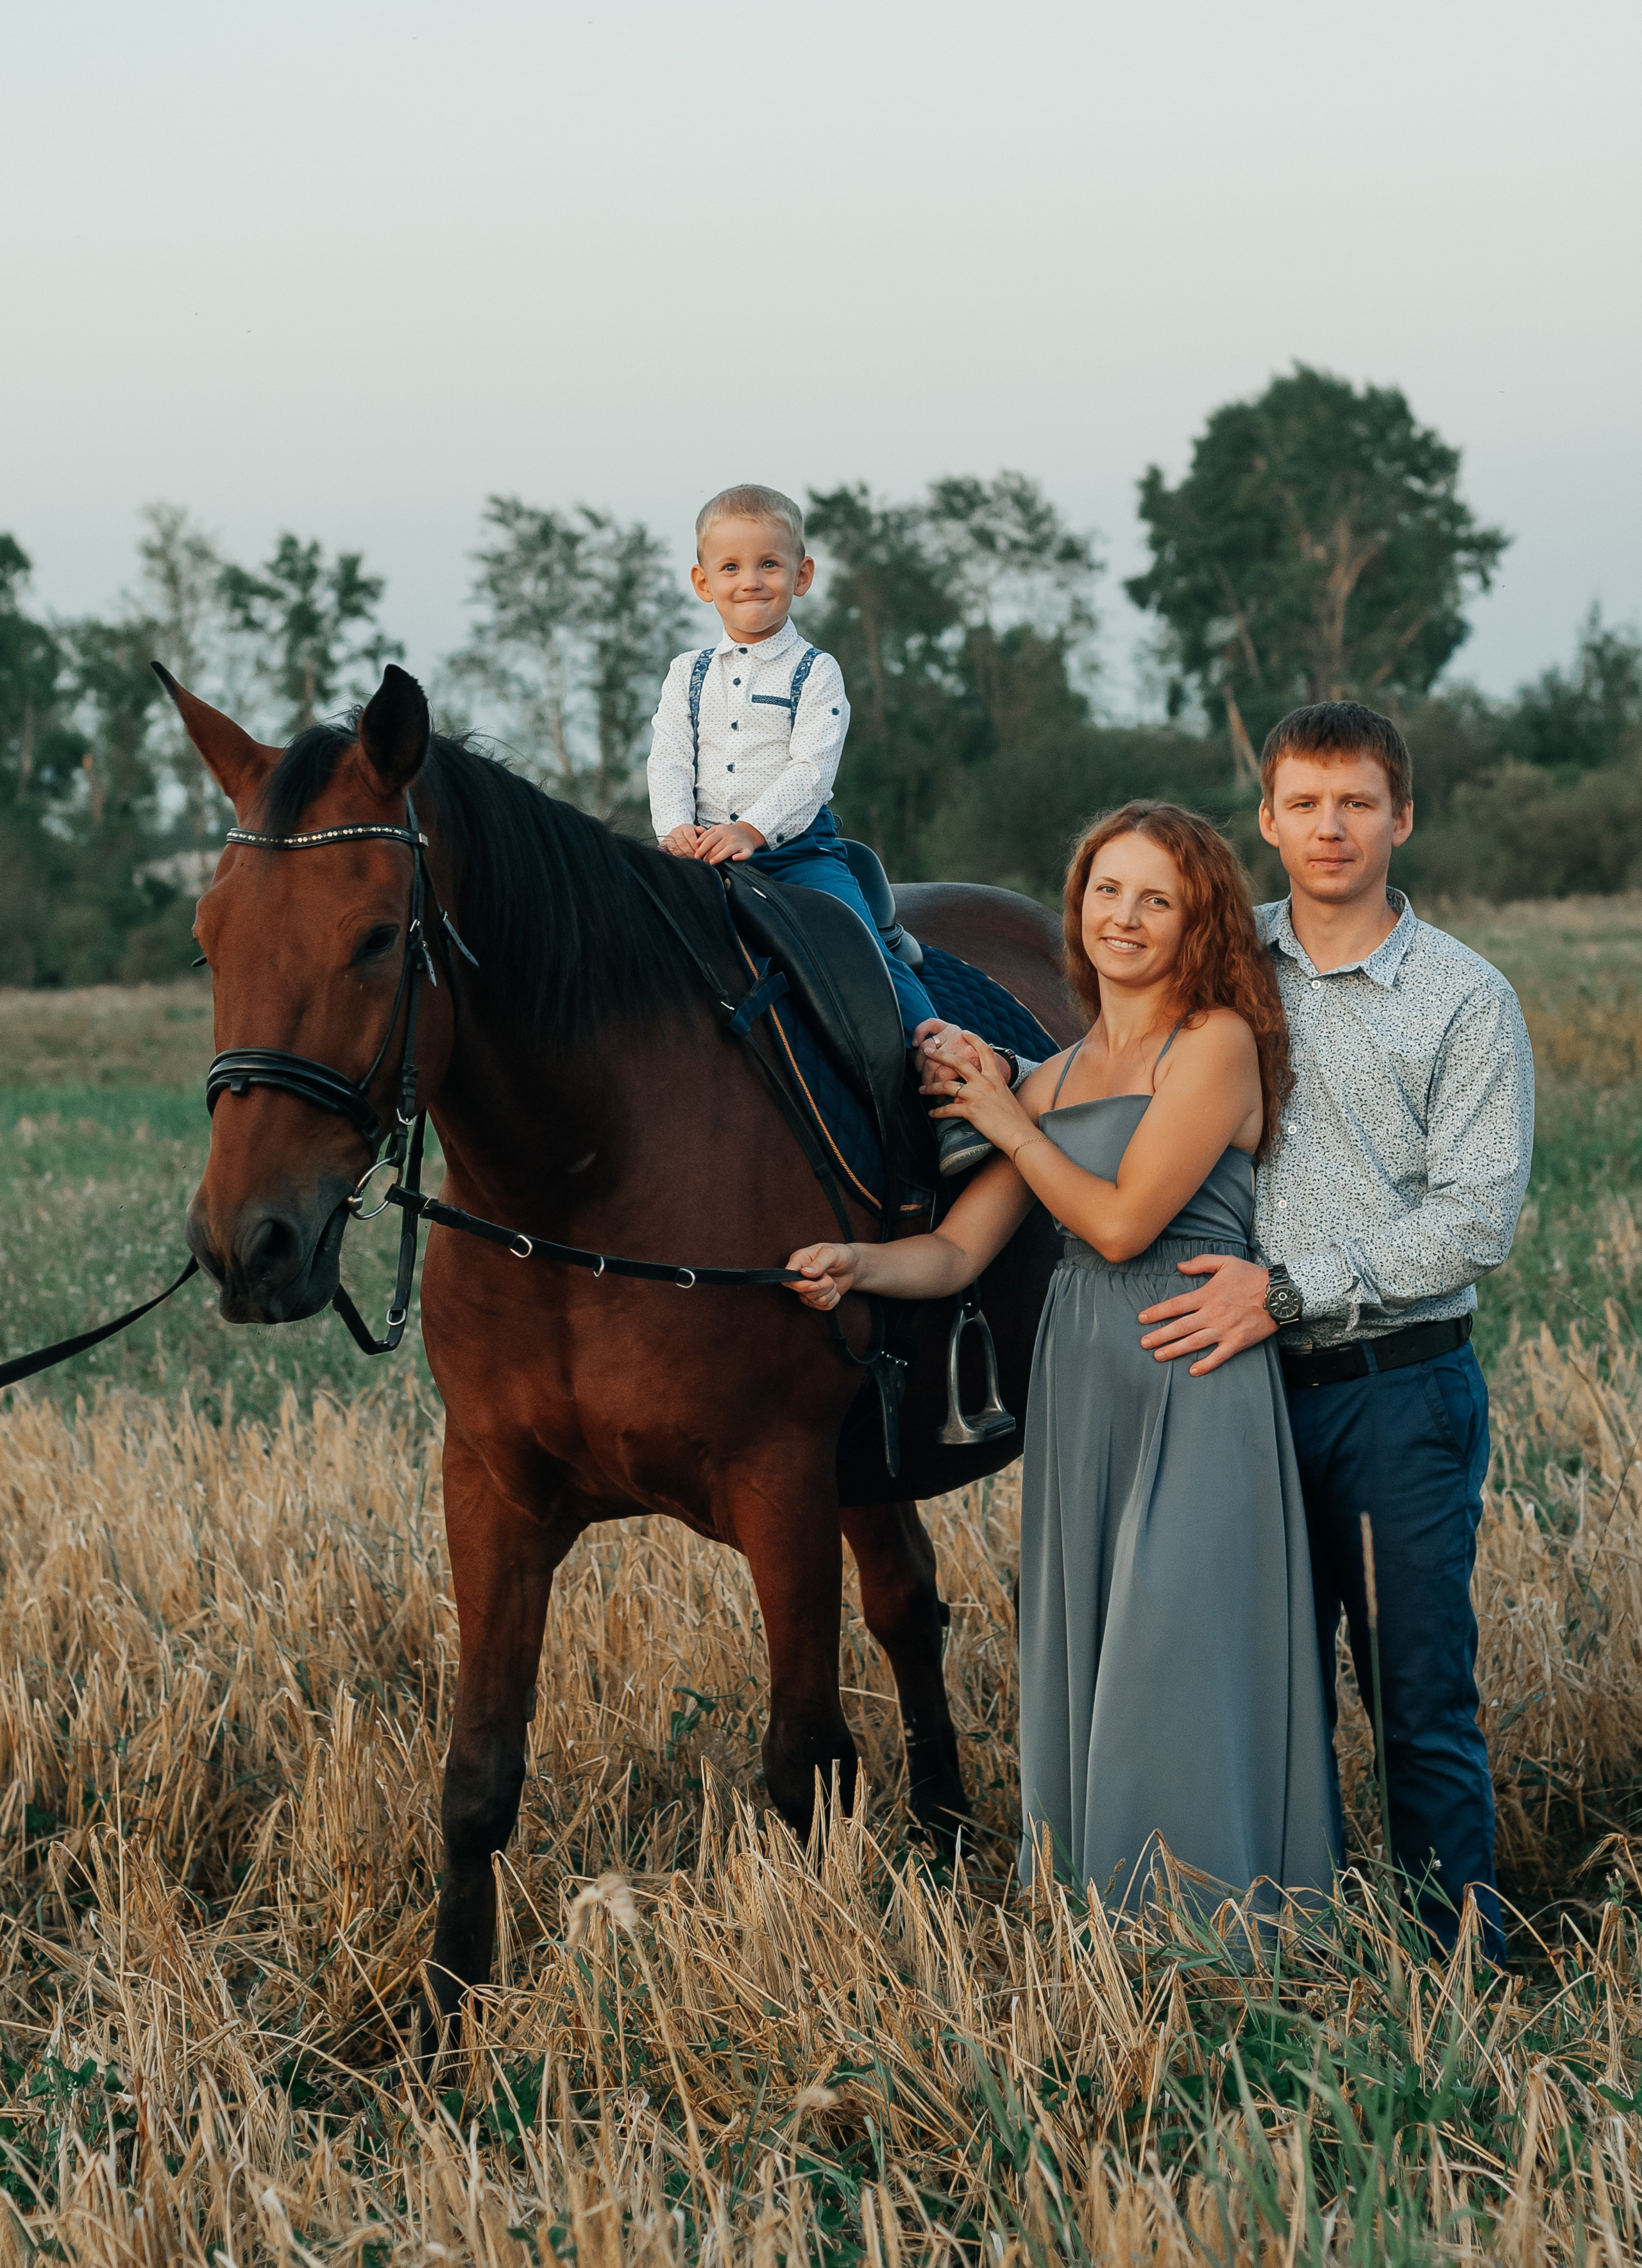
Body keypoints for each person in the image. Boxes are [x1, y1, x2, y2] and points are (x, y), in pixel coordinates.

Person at [785, 802, 1339, 1915]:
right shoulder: (1059, 1071)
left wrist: (1004, 1111)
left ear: (1200, 924)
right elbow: (953, 1253)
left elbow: (1128, 1223)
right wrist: (856, 1262)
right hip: (1083, 1380)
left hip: (1190, 1372)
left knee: (1174, 1641)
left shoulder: (1217, 1044)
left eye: (1155, 899)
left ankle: (1216, 1915)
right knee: (1094, 1640)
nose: (1122, 917)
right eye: (1104, 890)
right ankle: (1105, 1916)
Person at [1134, 703, 1534, 1963]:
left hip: (1390, 1390)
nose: (1328, 826)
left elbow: (1473, 1223)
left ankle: (1454, 1951)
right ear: (1265, 819)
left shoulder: (1462, 999)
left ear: (1398, 816)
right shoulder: (1217, 963)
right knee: (1261, 1681)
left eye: (1354, 802)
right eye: (1302, 802)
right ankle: (1279, 1936)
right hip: (1232, 1388)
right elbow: (1106, 1067)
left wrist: (1286, 1286)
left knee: (1413, 1692)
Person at [647, 482, 990, 1176]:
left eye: (770, 565)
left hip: (796, 850)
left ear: (801, 575)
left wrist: (751, 829)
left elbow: (811, 768)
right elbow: (668, 755)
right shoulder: (686, 675)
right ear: (701, 581)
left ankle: (945, 1080)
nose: (751, 581)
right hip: (701, 852)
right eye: (732, 568)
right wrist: (675, 827)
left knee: (860, 946)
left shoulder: (815, 671)